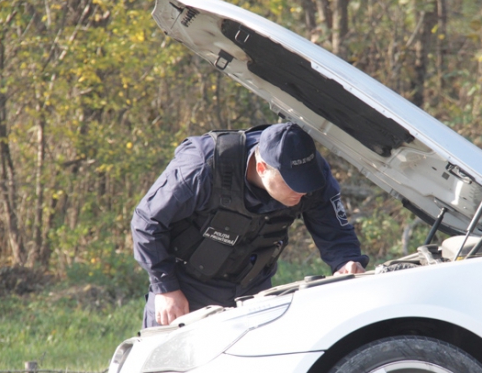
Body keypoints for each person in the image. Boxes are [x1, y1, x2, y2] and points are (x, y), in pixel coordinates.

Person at [132, 122, 369, 328]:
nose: (304, 191)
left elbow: (334, 227)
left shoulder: (309, 170)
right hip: (186, 288)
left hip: (253, 289)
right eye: (293, 184)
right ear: (261, 167)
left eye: (306, 182)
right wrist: (165, 288)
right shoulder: (202, 166)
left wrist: (345, 261)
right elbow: (147, 222)